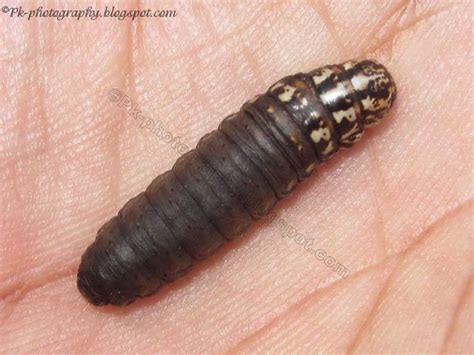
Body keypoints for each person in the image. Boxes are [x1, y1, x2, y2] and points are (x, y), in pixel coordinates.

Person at [1, 0, 472, 352]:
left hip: (177, 221)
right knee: (155, 239)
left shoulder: (292, 109)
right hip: (141, 247)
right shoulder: (305, 141)